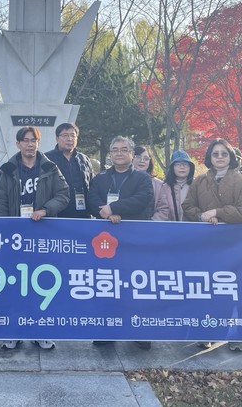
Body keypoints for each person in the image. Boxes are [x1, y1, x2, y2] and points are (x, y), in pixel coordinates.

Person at [0, 126, 70, 351]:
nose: (29, 144)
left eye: (33, 140)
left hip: (43, 234)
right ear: (18, 144)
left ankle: (40, 330)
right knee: (14, 282)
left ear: (38, 143)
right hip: (16, 236)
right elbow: (0, 202)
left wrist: (46, 210)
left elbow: (63, 194)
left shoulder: (50, 167)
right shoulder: (8, 170)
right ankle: (13, 331)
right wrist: (5, 230)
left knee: (42, 282)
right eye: (25, 140)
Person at [182, 138, 242, 351]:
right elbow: (187, 206)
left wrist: (219, 213)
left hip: (231, 245)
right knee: (204, 288)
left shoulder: (241, 181)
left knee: (226, 290)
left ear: (231, 157)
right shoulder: (200, 181)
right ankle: (203, 332)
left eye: (224, 153)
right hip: (204, 244)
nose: (220, 157)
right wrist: (202, 216)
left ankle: (221, 332)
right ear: (209, 158)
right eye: (215, 154)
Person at [89, 136, 154, 349]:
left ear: (132, 154)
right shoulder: (101, 178)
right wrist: (107, 213)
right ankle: (108, 330)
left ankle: (140, 331)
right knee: (109, 286)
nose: (119, 153)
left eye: (124, 149)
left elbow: (142, 199)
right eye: (115, 149)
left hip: (135, 241)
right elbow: (92, 200)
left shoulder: (142, 178)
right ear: (110, 154)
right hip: (106, 241)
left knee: (135, 286)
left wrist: (115, 208)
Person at [44, 123, 94, 218]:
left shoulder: (84, 159)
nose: (69, 139)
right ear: (57, 138)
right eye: (65, 135)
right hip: (56, 214)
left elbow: (92, 186)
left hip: (82, 214)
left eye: (73, 135)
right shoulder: (47, 159)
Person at [153, 149, 195, 221]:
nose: (182, 167)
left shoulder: (196, 185)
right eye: (178, 164)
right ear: (172, 168)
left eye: (185, 164)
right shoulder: (165, 187)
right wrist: (152, 223)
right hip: (171, 226)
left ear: (190, 168)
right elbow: (163, 210)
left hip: (194, 225)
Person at [133, 145, 161, 218]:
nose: (142, 161)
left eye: (146, 158)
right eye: (138, 157)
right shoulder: (123, 180)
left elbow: (163, 208)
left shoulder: (159, 185)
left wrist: (152, 222)